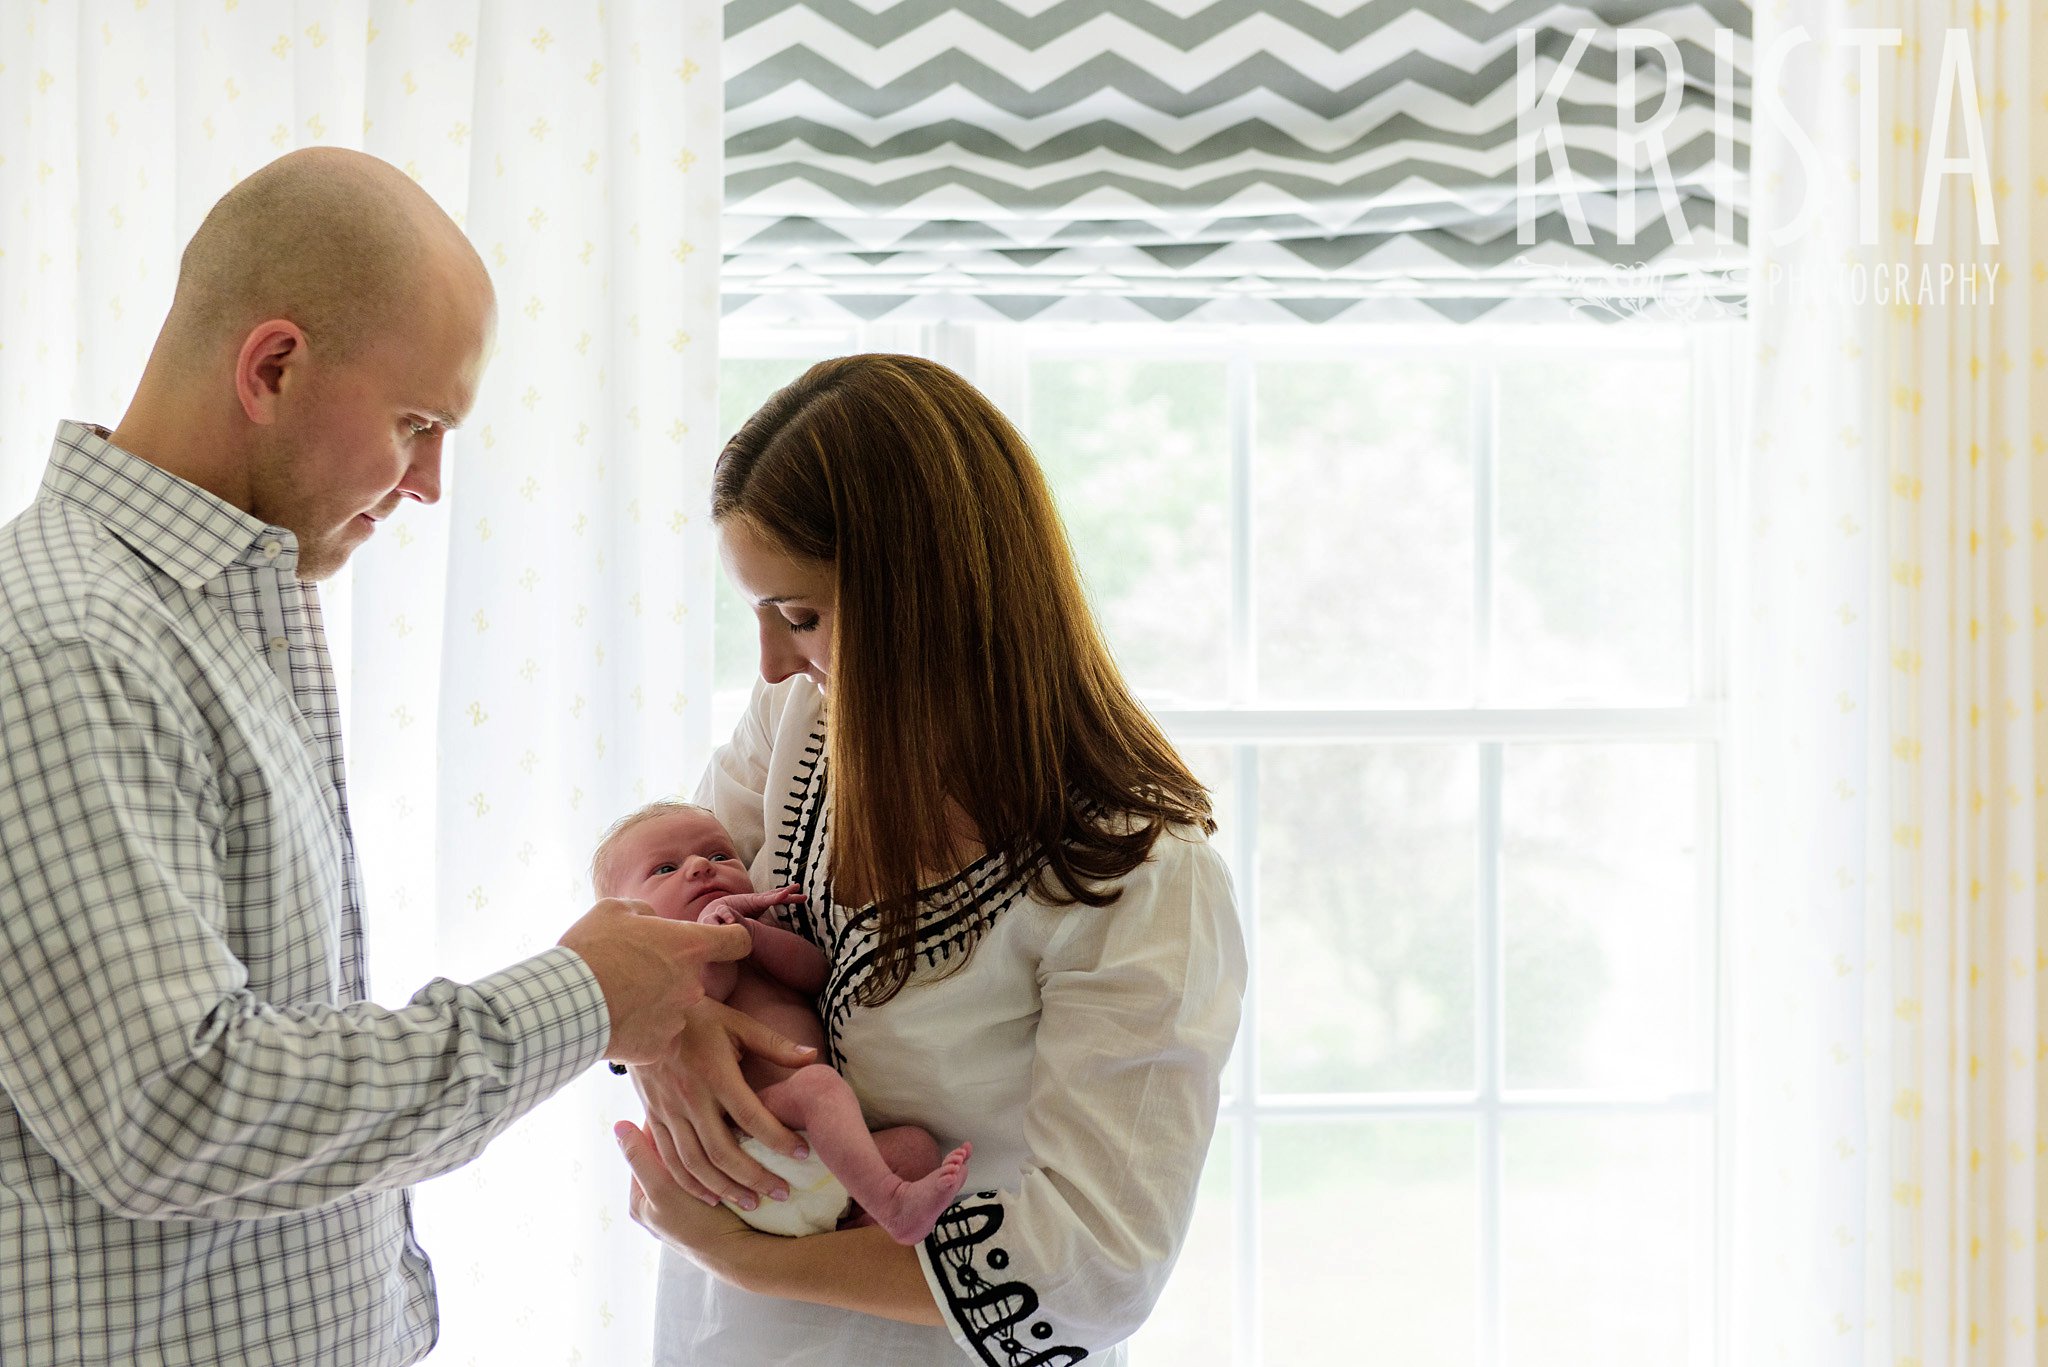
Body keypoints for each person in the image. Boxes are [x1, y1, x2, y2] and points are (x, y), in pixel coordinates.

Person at [0, 147, 772, 1367]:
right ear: (272, 367)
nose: (428, 484)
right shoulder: (63, 640)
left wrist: (616, 983)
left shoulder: (219, 616)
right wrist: (579, 995)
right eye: (417, 423)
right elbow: (173, 1109)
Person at [611, 354, 1247, 1365]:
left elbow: (1090, 1272)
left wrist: (744, 1256)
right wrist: (669, 1028)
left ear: (931, 599)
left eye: (802, 616)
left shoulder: (1137, 877)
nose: (772, 663)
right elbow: (640, 924)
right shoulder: (789, 732)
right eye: (761, 615)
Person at [591, 799, 972, 1242]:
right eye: (664, 869)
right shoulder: (667, 969)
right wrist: (713, 939)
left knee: (917, 1148)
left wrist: (752, 934)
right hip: (743, 1137)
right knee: (819, 1089)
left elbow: (816, 974)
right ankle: (893, 1203)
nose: (699, 866)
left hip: (817, 1156)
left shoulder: (758, 930)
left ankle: (862, 1221)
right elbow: (698, 1001)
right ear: (632, 924)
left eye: (719, 856)